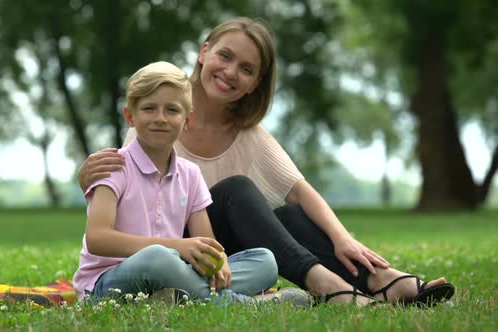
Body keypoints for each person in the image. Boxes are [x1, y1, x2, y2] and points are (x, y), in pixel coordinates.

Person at [77, 18, 455, 307]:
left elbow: (301, 192)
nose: (230, 72)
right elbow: (120, 194)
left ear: (255, 83)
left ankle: (379, 279)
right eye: (225, 56)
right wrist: (87, 179)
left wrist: (344, 239)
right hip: (164, 252)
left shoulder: (247, 134)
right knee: (237, 191)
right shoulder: (155, 118)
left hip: (204, 252)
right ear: (204, 52)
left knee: (287, 223)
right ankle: (321, 287)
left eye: (246, 68)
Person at [72, 61, 308, 306]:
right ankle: (243, 304)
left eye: (172, 110)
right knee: (158, 258)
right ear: (130, 116)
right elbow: (97, 239)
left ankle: (175, 297)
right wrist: (177, 247)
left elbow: (206, 243)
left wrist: (219, 262)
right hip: (106, 283)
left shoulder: (190, 174)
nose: (160, 118)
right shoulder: (113, 166)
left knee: (266, 261)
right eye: (149, 108)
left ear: (187, 120)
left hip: (173, 272)